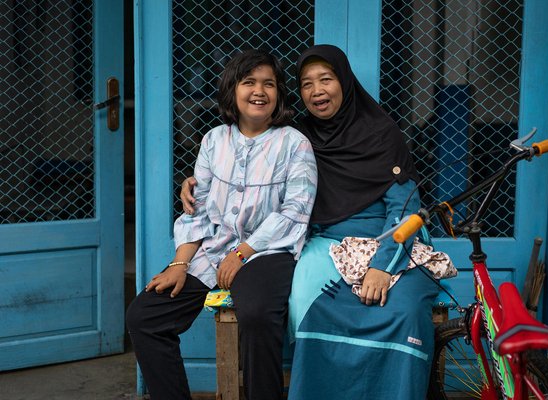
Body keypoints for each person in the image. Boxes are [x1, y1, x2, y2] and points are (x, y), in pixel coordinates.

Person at [181, 44, 439, 399]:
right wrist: (194, 185)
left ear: (344, 82)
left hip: (390, 238)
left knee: (404, 312)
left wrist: (382, 265)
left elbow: (405, 207)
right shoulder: (297, 137)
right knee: (310, 309)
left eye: (326, 79)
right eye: (306, 83)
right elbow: (245, 158)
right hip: (325, 242)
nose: (317, 91)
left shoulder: (381, 133)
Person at [126, 49, 317, 400]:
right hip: (213, 250)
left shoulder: (294, 144)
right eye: (249, 82)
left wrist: (243, 253)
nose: (259, 91)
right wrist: (180, 263)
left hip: (267, 251)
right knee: (144, 316)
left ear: (279, 94)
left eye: (268, 84)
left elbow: (295, 211)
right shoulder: (214, 140)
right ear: (233, 90)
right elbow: (196, 208)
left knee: (258, 314)